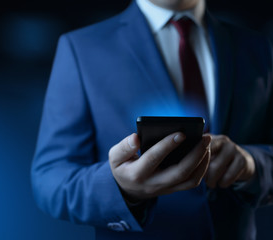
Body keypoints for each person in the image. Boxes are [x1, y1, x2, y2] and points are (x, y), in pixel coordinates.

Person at [31, 0, 273, 239]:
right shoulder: (82, 48)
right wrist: (119, 188)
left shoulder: (257, 47)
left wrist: (252, 165)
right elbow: (50, 178)